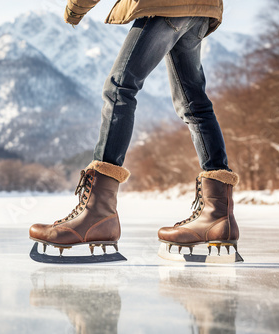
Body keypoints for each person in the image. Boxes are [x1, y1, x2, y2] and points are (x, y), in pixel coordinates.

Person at [29, 0, 240, 258]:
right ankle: (218, 216)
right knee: (194, 104)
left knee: (119, 89)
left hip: (165, 5)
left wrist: (76, 8)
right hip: (203, 9)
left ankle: (98, 213)